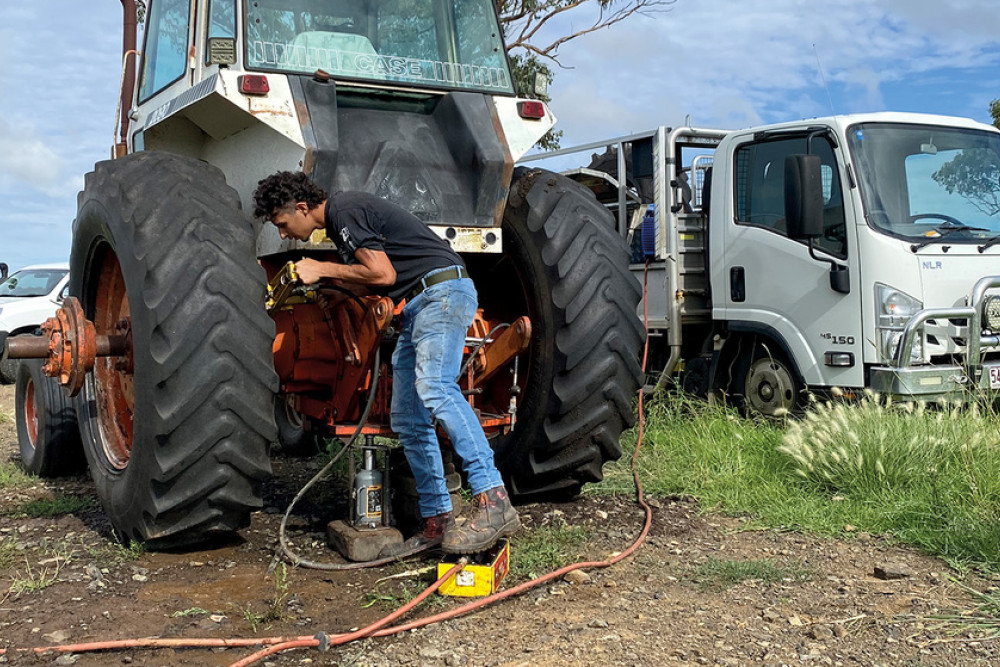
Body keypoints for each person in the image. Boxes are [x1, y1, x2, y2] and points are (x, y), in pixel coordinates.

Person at [253, 172, 520, 555]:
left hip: (441, 294)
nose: (283, 235)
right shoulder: (344, 218)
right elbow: (379, 278)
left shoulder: (344, 210)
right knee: (408, 418)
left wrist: (321, 268)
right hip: (419, 303)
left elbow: (383, 272)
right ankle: (436, 520)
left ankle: (493, 500)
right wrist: (339, 293)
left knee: (436, 388)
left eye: (282, 224)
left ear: (301, 208)